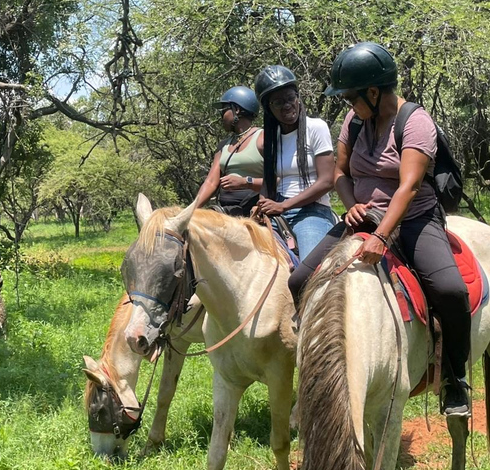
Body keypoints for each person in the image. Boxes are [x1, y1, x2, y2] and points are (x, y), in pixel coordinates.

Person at [287, 42, 471, 416]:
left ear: (373, 92)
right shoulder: (355, 121)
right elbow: (339, 172)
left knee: (451, 291)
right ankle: (320, 366)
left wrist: (382, 235)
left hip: (413, 220)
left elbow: (409, 186)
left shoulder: (415, 122)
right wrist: (351, 202)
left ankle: (455, 379)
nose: (347, 106)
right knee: (298, 280)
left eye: (351, 97)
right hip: (363, 217)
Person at [253, 65, 336, 259]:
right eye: (278, 102)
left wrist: (284, 206)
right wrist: (262, 204)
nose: (287, 105)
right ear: (269, 109)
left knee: (308, 270)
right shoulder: (273, 139)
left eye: (290, 98)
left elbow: (327, 181)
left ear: (298, 98)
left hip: (312, 212)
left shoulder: (316, 127)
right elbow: (269, 183)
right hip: (278, 212)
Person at [195, 86, 264, 217]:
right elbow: (210, 182)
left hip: (254, 210)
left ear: (236, 110)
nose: (221, 116)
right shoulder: (223, 145)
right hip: (225, 211)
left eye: (224, 110)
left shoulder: (262, 138)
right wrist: (190, 211)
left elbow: (278, 181)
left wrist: (245, 182)